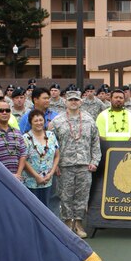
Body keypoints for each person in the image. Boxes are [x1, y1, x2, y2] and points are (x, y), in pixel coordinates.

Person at [49, 90, 101, 238]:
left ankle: (78, 223)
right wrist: (55, 165)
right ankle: (66, 222)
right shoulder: (57, 122)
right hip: (64, 164)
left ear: (81, 102)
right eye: (70, 100)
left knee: (82, 195)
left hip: (84, 164)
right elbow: (52, 145)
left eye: (76, 100)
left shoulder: (89, 120)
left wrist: (94, 161)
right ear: (65, 102)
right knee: (65, 195)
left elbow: (95, 143)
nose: (73, 102)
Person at [22, 109, 60, 207]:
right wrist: (37, 176)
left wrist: (51, 173)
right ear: (31, 123)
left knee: (48, 207)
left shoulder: (51, 135)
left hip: (48, 180)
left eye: (41, 120)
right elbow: (23, 160)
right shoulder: (25, 138)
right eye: (36, 121)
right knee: (33, 208)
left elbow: (57, 156)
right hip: (31, 181)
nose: (39, 123)